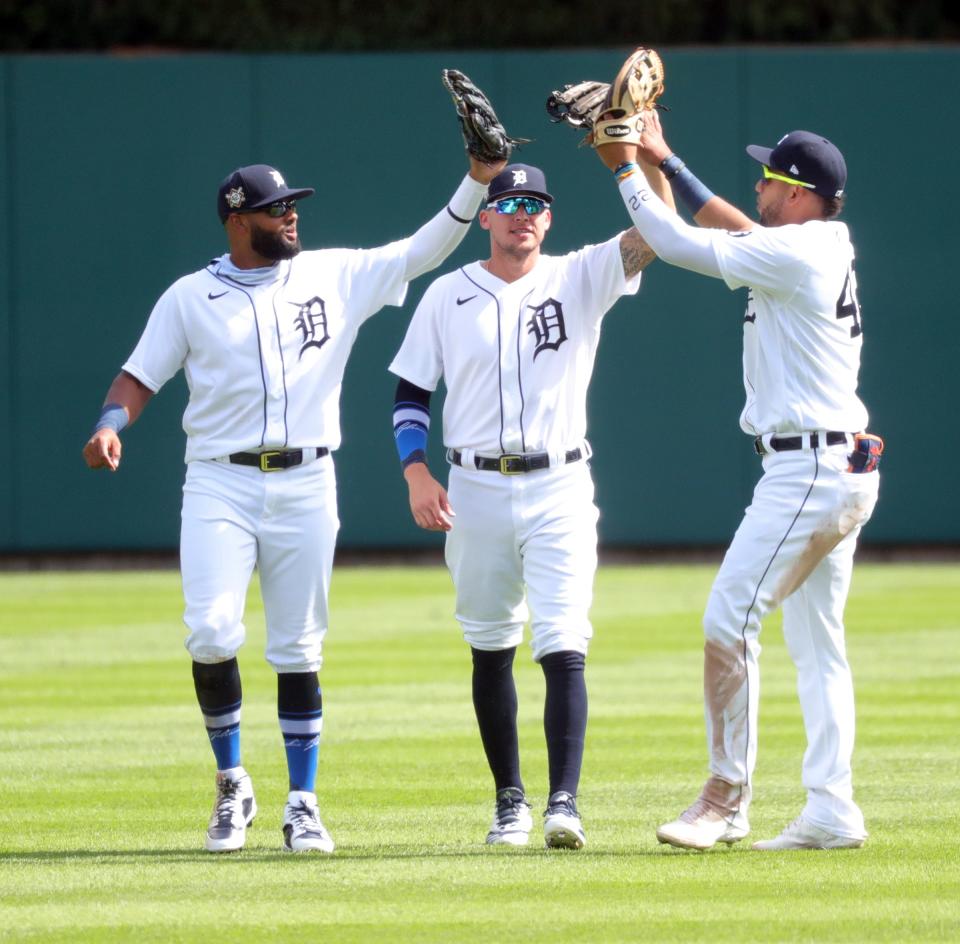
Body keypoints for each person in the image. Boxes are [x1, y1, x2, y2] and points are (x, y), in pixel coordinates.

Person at [82, 151, 506, 854]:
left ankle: (303, 803)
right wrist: (108, 424)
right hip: (220, 479)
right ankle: (232, 784)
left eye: (292, 204)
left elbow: (423, 248)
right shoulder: (190, 296)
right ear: (238, 220)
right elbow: (138, 376)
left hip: (308, 478)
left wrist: (480, 180)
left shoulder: (331, 273)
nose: (291, 215)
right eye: (277, 208)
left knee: (298, 646)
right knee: (212, 633)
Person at [593, 110, 883, 850]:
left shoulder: (797, 255)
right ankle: (832, 806)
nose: (758, 183)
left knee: (729, 620)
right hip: (836, 459)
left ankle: (726, 797)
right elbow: (729, 227)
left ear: (798, 193)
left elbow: (677, 242)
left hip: (809, 471)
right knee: (819, 645)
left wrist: (625, 166)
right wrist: (666, 156)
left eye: (770, 176)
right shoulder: (812, 244)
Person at [388, 162, 671, 848]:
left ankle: (563, 804)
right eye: (509, 201)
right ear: (485, 216)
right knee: (490, 647)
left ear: (549, 219)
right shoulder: (446, 294)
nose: (523, 213)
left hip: (561, 485)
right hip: (475, 486)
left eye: (536, 203)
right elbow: (410, 393)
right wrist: (416, 473)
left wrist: (645, 156)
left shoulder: (581, 275)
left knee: (563, 642)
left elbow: (659, 232)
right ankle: (509, 803)